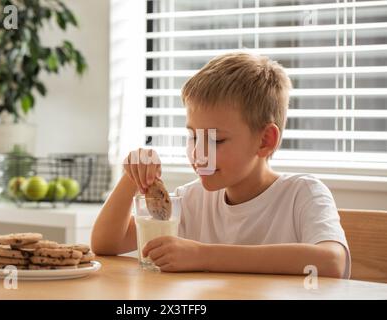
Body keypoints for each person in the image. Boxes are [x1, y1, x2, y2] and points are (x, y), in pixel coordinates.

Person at [91, 52, 350, 278]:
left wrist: (203, 256)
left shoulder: (302, 194)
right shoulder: (192, 199)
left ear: (265, 140)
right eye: (193, 136)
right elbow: (105, 245)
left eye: (215, 140)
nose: (199, 155)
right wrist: (131, 178)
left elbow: (331, 262)